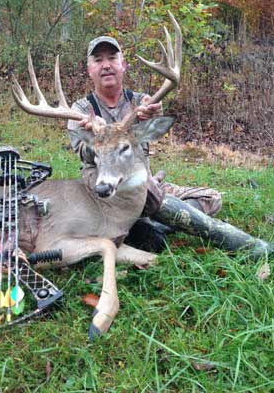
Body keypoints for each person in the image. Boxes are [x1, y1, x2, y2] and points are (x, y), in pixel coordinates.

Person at [67, 36, 274, 258]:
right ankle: (142, 222)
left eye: (112, 58)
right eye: (98, 60)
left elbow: (153, 127)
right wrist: (99, 136)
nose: (106, 65)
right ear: (89, 69)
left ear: (123, 65)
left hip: (143, 184)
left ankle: (153, 227)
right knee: (145, 198)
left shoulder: (141, 102)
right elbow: (81, 150)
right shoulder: (81, 110)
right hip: (106, 190)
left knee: (211, 198)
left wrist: (154, 114)